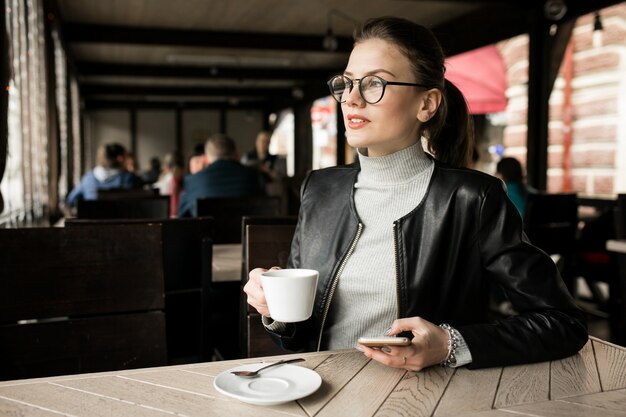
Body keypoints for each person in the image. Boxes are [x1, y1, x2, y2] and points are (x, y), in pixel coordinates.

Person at [244, 17, 587, 371]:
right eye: (347, 83)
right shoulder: (319, 189)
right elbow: (299, 338)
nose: (351, 99)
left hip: (424, 400)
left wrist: (450, 345)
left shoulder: (473, 198)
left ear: (427, 104)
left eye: (374, 83)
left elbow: (563, 323)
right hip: (321, 391)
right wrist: (276, 312)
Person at [177, 133, 262, 217]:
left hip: (206, 230)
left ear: (206, 158)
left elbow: (182, 219)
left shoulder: (192, 181)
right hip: (244, 230)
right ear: (236, 153)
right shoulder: (253, 176)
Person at [66, 142, 143, 207]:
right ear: (120, 158)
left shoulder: (88, 178)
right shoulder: (129, 178)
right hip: (121, 223)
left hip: (91, 223)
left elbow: (71, 200)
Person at [153, 152, 185, 217]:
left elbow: (154, 188)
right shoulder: (185, 177)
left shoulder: (169, 179)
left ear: (166, 166)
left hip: (170, 214)